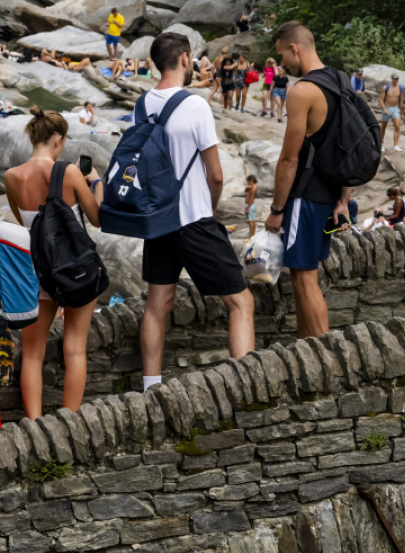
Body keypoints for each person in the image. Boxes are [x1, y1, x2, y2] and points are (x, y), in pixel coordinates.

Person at [137, 33, 255, 391]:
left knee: (158, 305)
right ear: (186, 59)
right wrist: (209, 207)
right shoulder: (195, 105)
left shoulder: (143, 104)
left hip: (157, 221)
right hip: (192, 218)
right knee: (241, 302)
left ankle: (151, 387)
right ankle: (246, 383)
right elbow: (215, 174)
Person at [5, 109, 102, 417]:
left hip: (38, 272)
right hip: (74, 269)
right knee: (74, 347)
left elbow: (27, 225)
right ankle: (68, 421)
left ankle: (34, 424)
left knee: (32, 354)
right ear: (58, 139)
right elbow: (97, 217)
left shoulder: (11, 177)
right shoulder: (70, 173)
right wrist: (96, 181)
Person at [267, 22, 352, 338]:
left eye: (281, 56)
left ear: (294, 48)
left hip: (305, 195)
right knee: (304, 275)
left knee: (304, 278)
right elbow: (347, 147)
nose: (282, 65)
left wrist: (277, 210)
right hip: (329, 194)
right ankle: (306, 347)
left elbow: (289, 159)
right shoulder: (340, 82)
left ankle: (324, 355)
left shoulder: (302, 92)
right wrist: (344, 199)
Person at [380, 73, 403, 150]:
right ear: (392, 79)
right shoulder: (386, 87)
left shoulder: (400, 88)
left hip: (395, 108)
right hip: (387, 107)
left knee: (397, 126)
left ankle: (396, 145)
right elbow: (381, 100)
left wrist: (402, 113)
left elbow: (401, 101)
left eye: (397, 79)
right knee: (383, 127)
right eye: (394, 79)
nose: (396, 80)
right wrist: (384, 109)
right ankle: (381, 144)